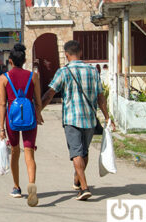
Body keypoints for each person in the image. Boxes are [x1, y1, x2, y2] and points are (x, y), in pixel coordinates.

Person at [41, 40, 115, 201]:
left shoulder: (64, 72)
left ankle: (84, 188)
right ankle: (77, 179)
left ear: (66, 55)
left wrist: (37, 111)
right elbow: (101, 97)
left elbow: (49, 94)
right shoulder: (92, 71)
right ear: (80, 53)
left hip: (72, 119)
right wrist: (108, 117)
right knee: (84, 151)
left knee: (76, 152)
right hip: (89, 118)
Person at [0, 44, 44, 207]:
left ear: (10, 61)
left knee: (15, 152)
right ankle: (31, 184)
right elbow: (38, 101)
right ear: (24, 60)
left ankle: (17, 187)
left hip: (12, 120)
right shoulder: (33, 76)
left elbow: (3, 104)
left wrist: (2, 128)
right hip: (30, 118)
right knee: (29, 153)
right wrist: (38, 114)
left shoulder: (4, 78)